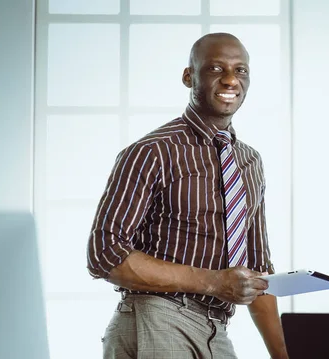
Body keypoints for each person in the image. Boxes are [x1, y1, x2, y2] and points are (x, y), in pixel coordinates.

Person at [86, 33, 289, 359]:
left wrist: (283, 355)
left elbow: (257, 269)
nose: (229, 79)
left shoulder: (250, 162)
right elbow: (104, 255)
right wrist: (214, 282)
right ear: (188, 76)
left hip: (216, 327)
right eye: (214, 68)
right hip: (158, 315)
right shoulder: (152, 151)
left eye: (241, 70)